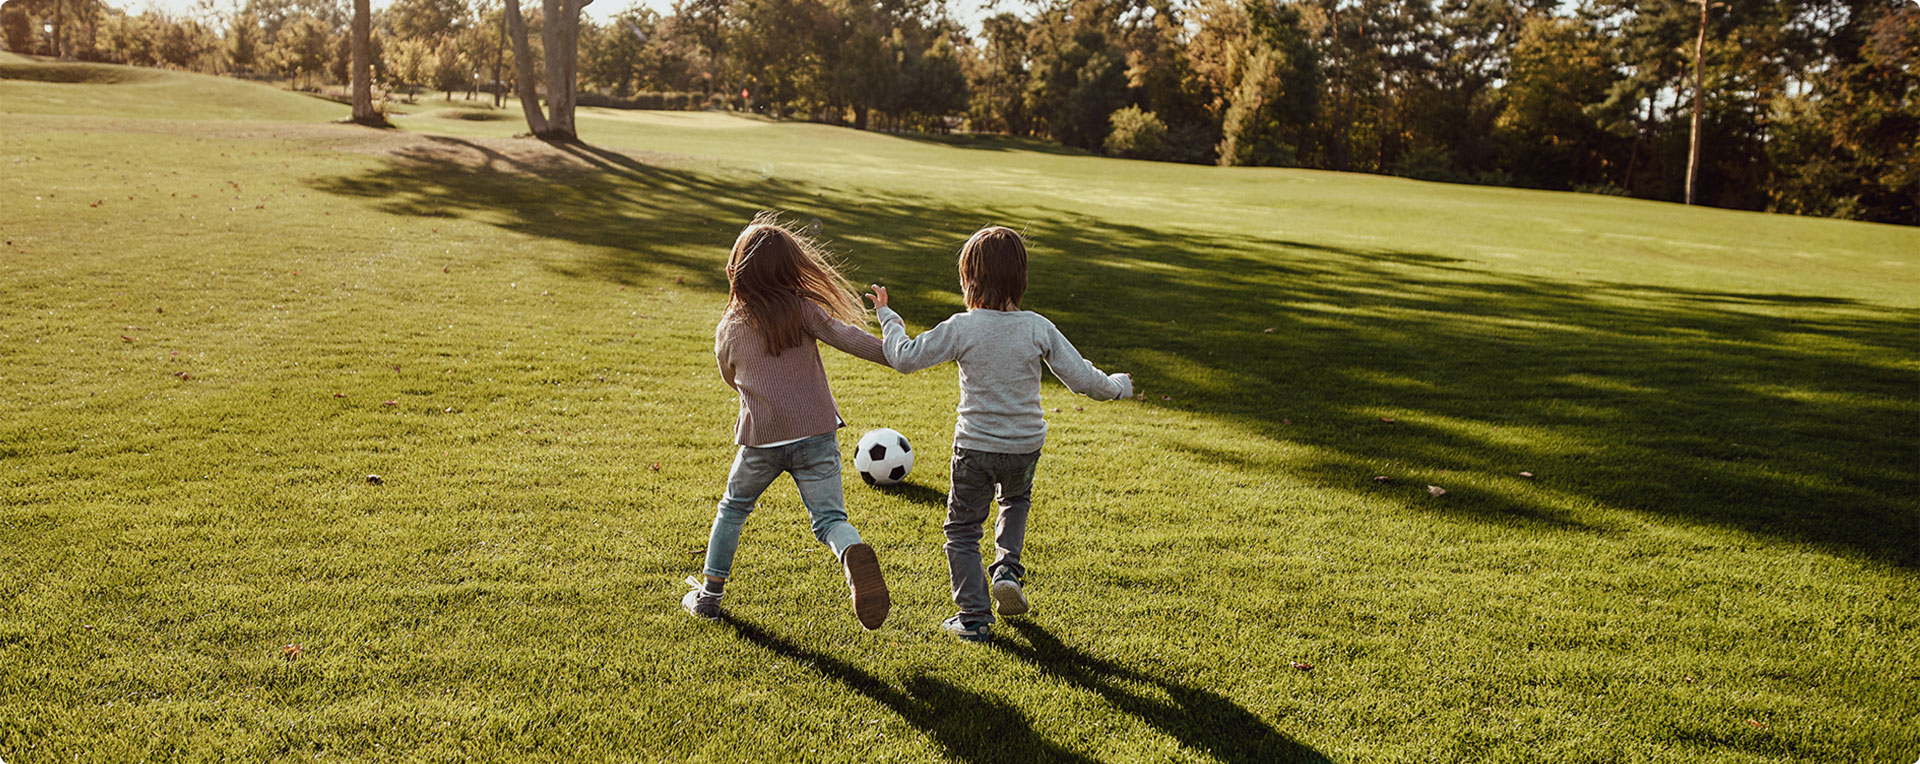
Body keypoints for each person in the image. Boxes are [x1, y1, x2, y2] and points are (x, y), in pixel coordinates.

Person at [867, 226, 1133, 642]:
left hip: (975, 446)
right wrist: (1117, 385)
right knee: (1015, 499)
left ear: (968, 280)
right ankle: (1008, 567)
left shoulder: (962, 327)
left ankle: (973, 617)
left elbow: (904, 358)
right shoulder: (1037, 327)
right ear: (1020, 279)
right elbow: (1083, 380)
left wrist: (890, 319)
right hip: (1025, 446)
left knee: (962, 531)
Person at [683, 214, 892, 630]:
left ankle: (709, 595)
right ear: (789, 269)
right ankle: (851, 552)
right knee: (831, 520)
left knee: (733, 508)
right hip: (815, 432)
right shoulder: (803, 310)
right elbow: (851, 339)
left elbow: (730, 377)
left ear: (737, 271)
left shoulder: (730, 326)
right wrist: (900, 352)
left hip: (761, 439)